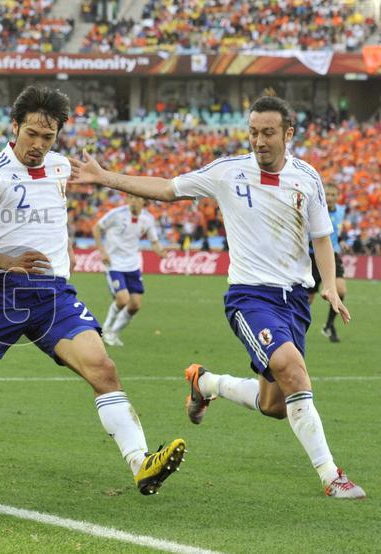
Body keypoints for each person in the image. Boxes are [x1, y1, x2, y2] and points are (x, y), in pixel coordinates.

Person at [0, 86, 186, 496]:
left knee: (104, 370)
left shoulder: (61, 168)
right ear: (15, 127)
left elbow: (53, 216)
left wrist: (64, 253)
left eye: (48, 138)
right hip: (2, 295)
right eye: (31, 134)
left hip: (54, 297)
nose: (38, 145)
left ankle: (141, 464)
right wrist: (9, 262)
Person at [68, 94, 365, 499]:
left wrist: (328, 283)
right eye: (253, 132)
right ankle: (332, 476)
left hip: (294, 301)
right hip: (250, 296)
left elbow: (322, 239)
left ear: (288, 134)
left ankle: (206, 384)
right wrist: (106, 177)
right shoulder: (228, 171)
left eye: (268, 133)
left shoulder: (308, 179)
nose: (259, 140)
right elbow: (167, 189)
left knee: (276, 402)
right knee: (292, 369)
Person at [92, 195, 166, 346]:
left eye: (137, 198)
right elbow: (97, 228)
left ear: (143, 201)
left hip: (133, 264)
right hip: (114, 263)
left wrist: (160, 251)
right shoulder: (116, 214)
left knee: (135, 305)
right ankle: (105, 329)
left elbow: (154, 241)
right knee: (122, 299)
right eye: (130, 198)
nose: (133, 201)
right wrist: (102, 251)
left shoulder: (148, 218)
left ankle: (113, 331)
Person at [309, 184, 347, 342]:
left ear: (338, 196)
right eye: (328, 194)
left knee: (341, 290)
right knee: (307, 299)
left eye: (333, 194)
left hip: (334, 255)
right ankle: (292, 327)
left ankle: (329, 325)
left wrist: (342, 241)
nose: (330, 197)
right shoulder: (317, 209)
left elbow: (337, 230)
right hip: (313, 257)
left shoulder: (341, 211)